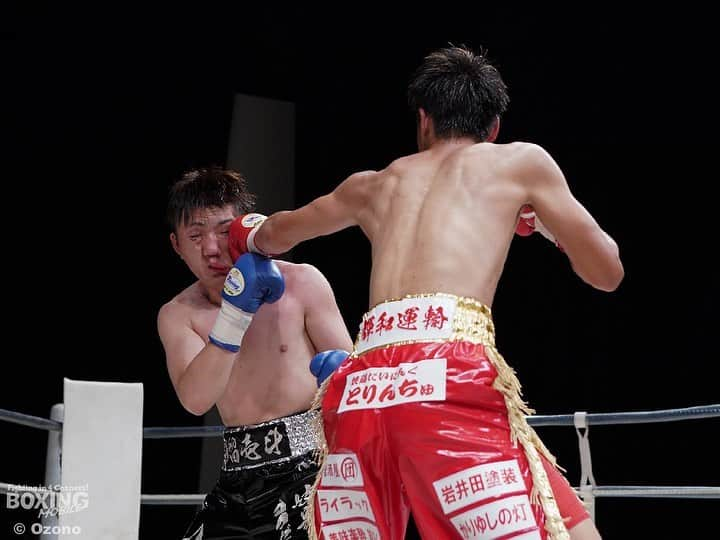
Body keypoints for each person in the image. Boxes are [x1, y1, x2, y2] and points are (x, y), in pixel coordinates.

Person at [229, 46, 623, 540]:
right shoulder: (520, 162)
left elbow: (277, 234)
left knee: (568, 520)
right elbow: (607, 272)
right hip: (448, 378)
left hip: (362, 391)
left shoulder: (372, 185)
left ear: (423, 120)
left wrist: (245, 234)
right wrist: (550, 228)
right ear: (494, 127)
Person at [157, 167, 354, 540]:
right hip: (237, 482)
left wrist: (342, 376)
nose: (212, 248)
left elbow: (354, 384)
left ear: (246, 228)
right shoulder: (179, 314)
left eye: (223, 230)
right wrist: (236, 314)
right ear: (176, 245)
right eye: (195, 236)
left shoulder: (302, 283)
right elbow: (196, 399)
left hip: (313, 470)